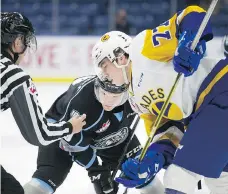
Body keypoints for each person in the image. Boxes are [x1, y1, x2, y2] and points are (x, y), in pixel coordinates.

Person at [91, 5, 228, 194]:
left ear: (120, 57)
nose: (104, 75)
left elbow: (192, 15)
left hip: (219, 89)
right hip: (211, 110)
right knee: (221, 181)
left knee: (179, 178)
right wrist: (151, 161)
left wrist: (188, 41)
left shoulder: (142, 49)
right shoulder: (136, 102)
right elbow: (168, 134)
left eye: (104, 66)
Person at [1, 12, 86, 194]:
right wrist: (70, 127)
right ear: (17, 43)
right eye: (25, 41)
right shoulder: (13, 75)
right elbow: (39, 135)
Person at [23, 75, 148, 194]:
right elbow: (73, 144)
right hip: (63, 131)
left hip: (107, 130)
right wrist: (96, 170)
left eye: (115, 96)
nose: (108, 100)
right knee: (47, 178)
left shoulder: (137, 90)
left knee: (144, 175)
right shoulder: (83, 104)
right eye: (104, 93)